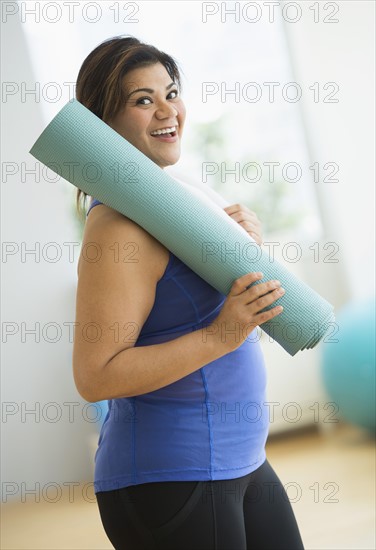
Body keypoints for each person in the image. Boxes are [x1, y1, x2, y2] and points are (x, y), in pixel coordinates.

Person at [72, 35, 305, 550]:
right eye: (142, 99)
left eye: (171, 92)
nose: (166, 111)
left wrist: (244, 259)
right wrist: (223, 333)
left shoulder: (177, 205)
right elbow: (95, 375)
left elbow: (216, 321)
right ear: (102, 123)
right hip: (171, 476)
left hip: (243, 461)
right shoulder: (117, 228)